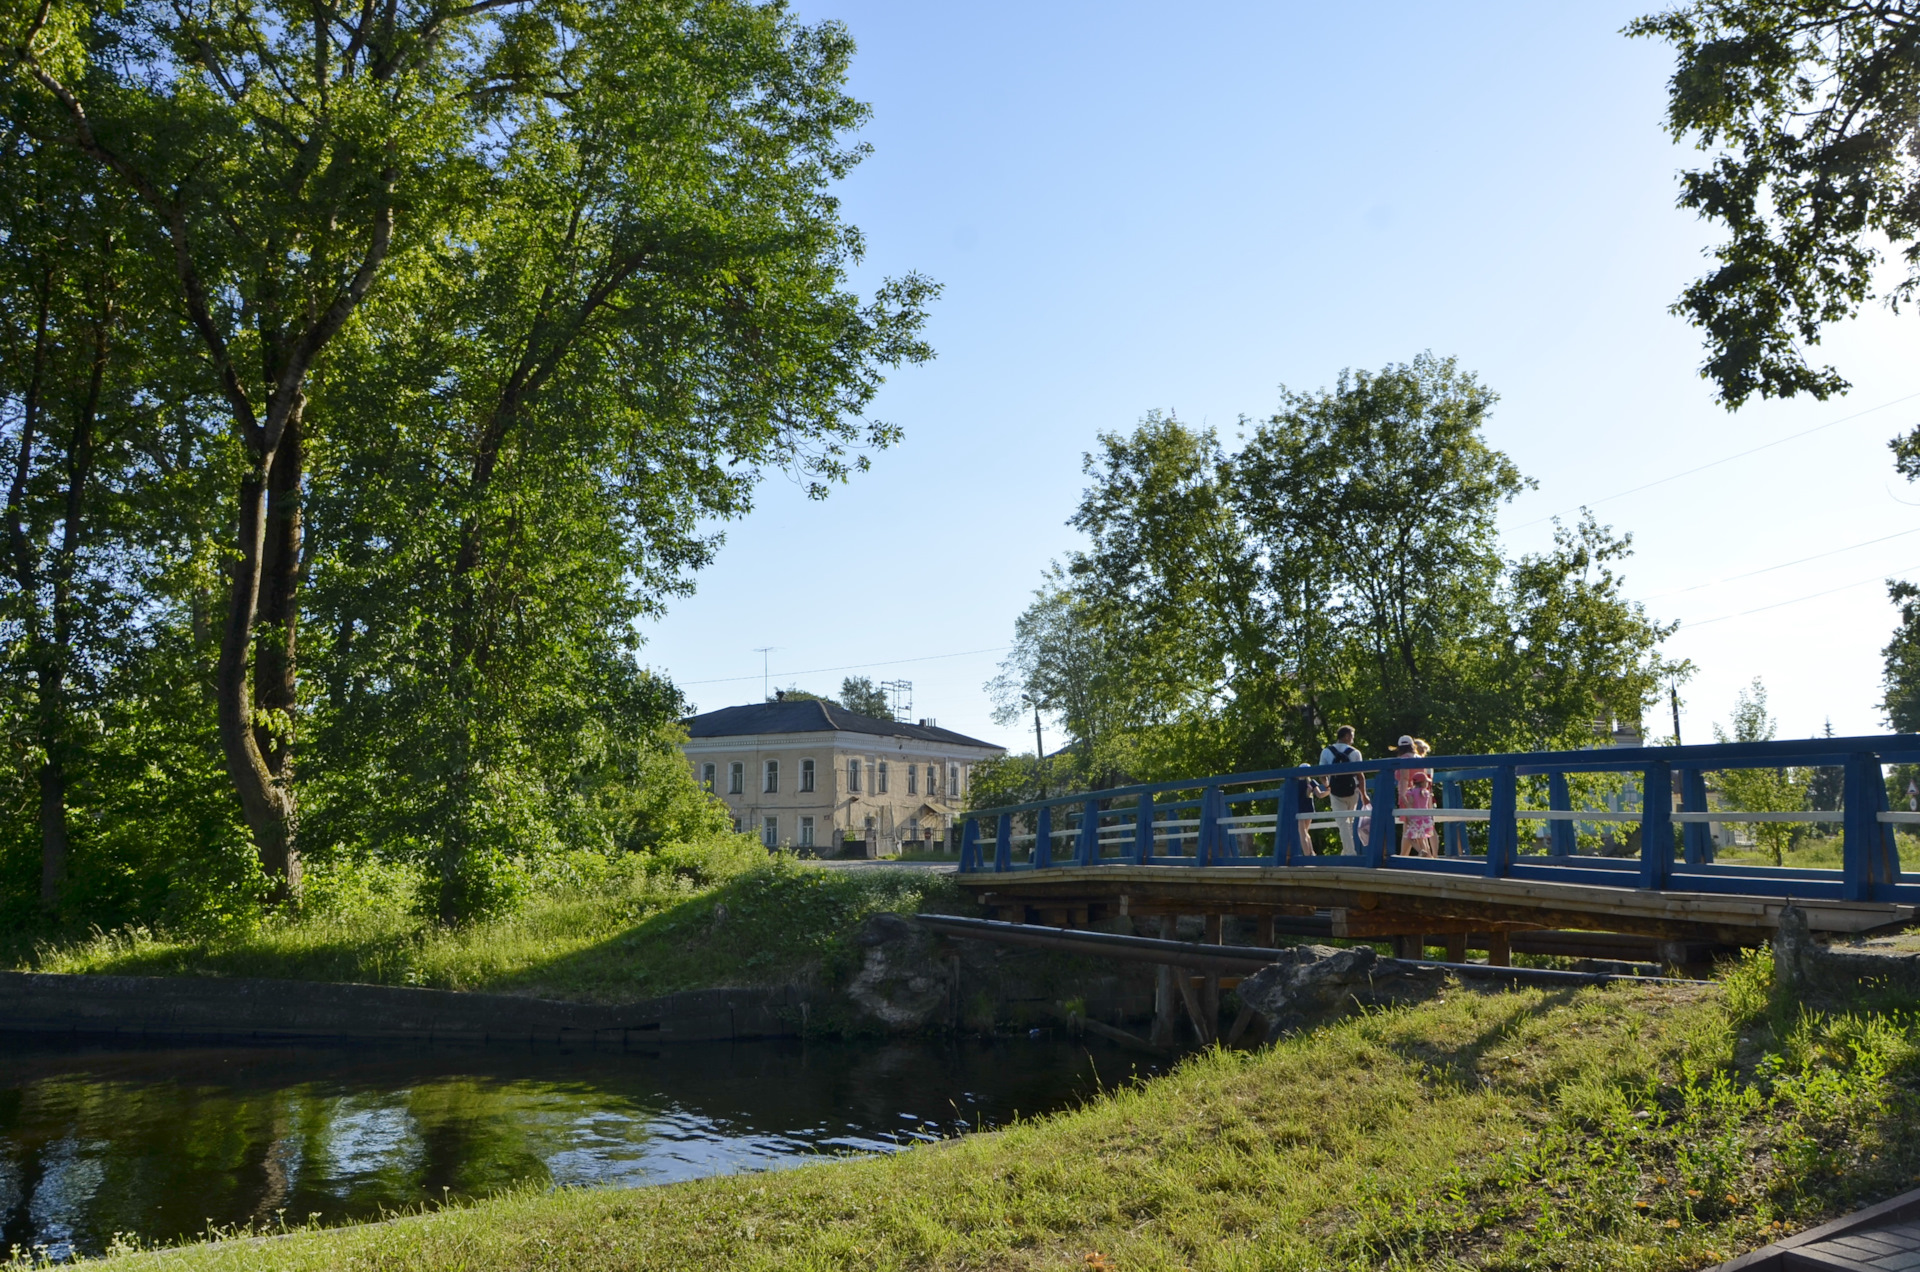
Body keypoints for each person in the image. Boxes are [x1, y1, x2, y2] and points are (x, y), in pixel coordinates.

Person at [1319, 726, 1366, 854]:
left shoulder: (1326, 752)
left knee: (1343, 823)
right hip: (1352, 791)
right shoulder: (1355, 752)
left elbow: (1321, 774)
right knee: (1349, 822)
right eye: (1352, 736)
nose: (1352, 739)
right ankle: (1347, 852)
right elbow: (1360, 776)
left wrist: (1327, 784)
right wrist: (1364, 795)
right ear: (1346, 736)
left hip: (1336, 792)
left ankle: (1349, 853)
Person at [1401, 770, 1438, 857]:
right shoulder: (1427, 792)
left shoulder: (1411, 792)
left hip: (1415, 819)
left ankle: (1420, 851)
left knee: (1409, 837)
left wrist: (1404, 800)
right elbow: (1428, 806)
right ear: (1423, 783)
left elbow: (1410, 804)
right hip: (1425, 819)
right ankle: (1427, 856)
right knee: (1422, 838)